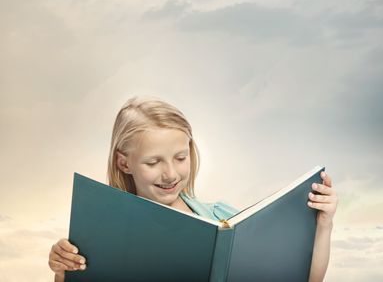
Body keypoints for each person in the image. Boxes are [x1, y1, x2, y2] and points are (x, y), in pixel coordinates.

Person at [48, 96, 338, 282]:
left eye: (180, 158)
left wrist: (324, 225)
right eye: (153, 162)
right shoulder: (101, 235)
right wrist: (62, 272)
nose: (170, 174)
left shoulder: (225, 220)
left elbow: (307, 279)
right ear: (124, 163)